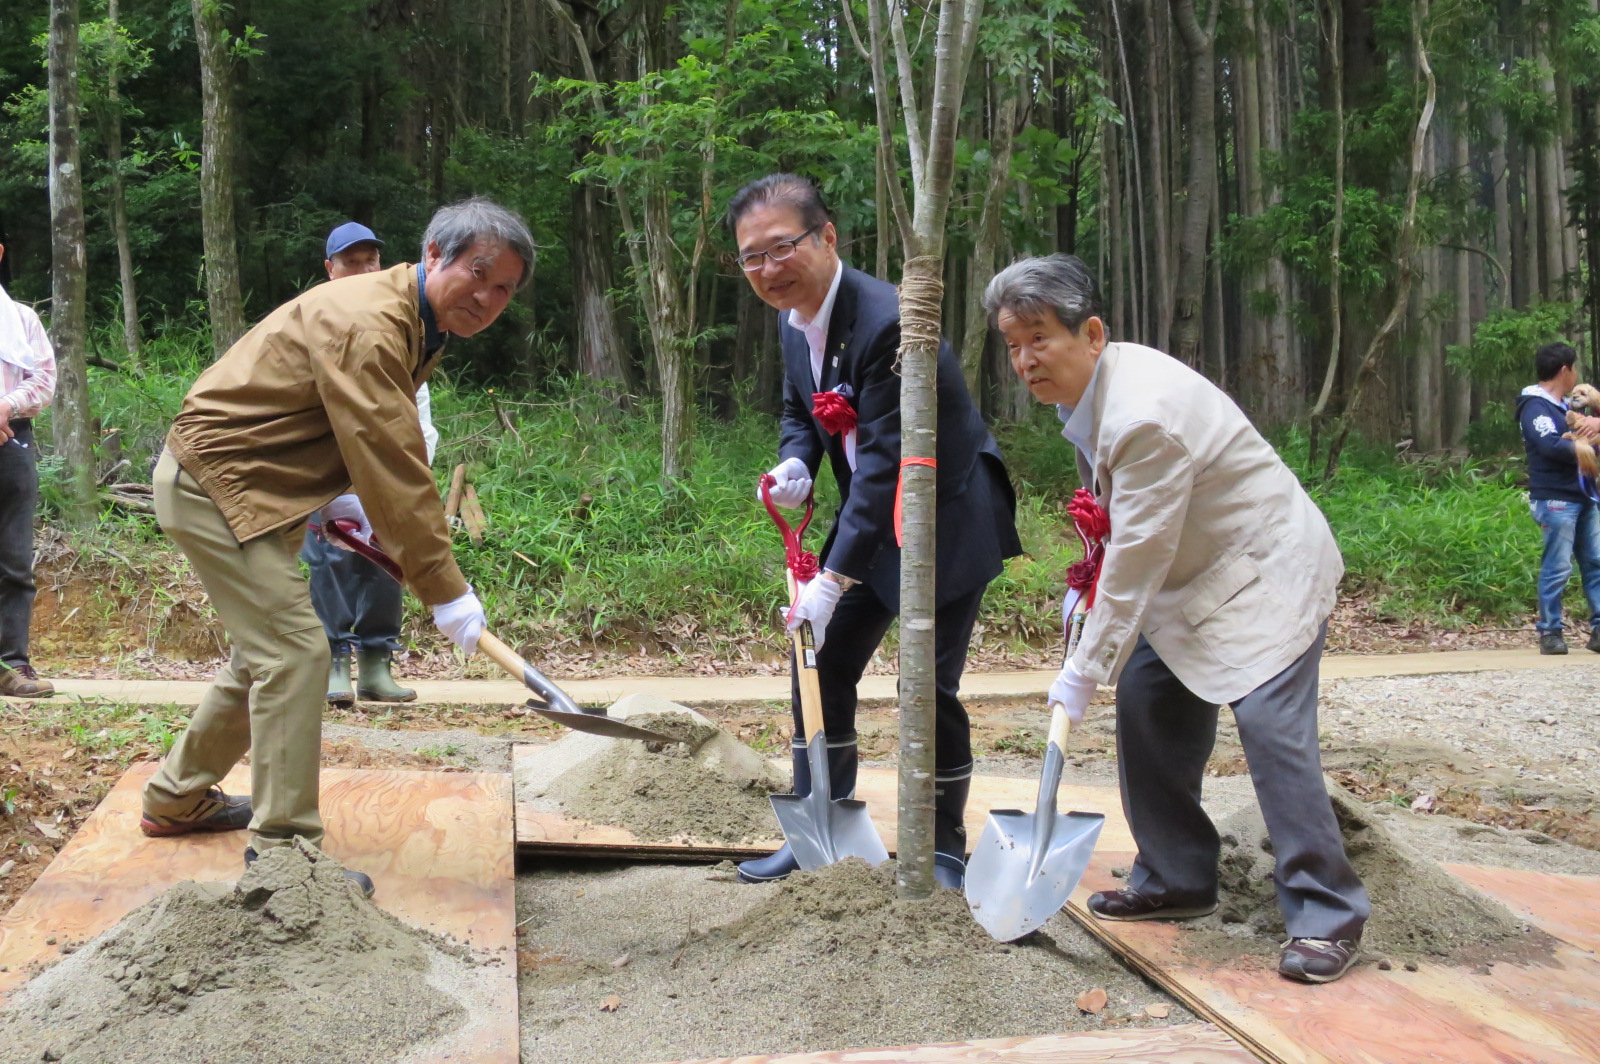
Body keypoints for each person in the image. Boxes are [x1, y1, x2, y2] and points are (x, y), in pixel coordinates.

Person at [985, 253, 1368, 984]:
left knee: (1269, 727)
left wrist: (1083, 669)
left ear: (1090, 332)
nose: (1025, 359)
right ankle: (1178, 876)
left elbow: (1139, 554)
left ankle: (1327, 913)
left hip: (1265, 572)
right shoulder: (1098, 390)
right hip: (1195, 582)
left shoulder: (1144, 415)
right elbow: (1125, 534)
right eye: (1012, 344)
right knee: (1150, 698)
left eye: (1039, 338)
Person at [139, 198, 533, 896]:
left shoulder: (417, 320)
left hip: (262, 487)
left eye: (505, 289)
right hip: (218, 483)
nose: (489, 298)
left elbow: (358, 434)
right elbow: (392, 457)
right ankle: (287, 858)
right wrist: (446, 589)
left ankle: (176, 797)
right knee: (295, 651)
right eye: (479, 273)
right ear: (434, 255)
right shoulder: (368, 319)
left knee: (263, 655)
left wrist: (343, 499)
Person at [729, 174, 1022, 890]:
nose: (767, 271)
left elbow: (892, 466)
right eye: (750, 258)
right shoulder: (791, 317)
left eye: (781, 248)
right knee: (817, 664)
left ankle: (944, 843)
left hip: (945, 514)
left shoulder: (890, 320)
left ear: (827, 237)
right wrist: (796, 460)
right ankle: (817, 829)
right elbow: (801, 409)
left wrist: (832, 580)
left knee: (929, 683)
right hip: (870, 515)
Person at [301, 221, 441, 705]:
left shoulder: (399, 323)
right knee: (329, 567)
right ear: (329, 269)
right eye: (351, 263)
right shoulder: (313, 319)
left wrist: (414, 474)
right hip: (329, 478)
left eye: (370, 262)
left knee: (386, 569)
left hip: (387, 476)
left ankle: (377, 666)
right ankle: (334, 663)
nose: (363, 271)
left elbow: (417, 410)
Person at [1516, 341, 1600, 655]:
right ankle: (1550, 632)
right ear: (1564, 370)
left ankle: (1599, 629)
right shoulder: (1534, 406)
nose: (1576, 374)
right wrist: (1588, 448)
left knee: (1595, 563)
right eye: (1574, 368)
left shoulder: (1568, 407)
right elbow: (1550, 445)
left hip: (1583, 496)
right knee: (1558, 566)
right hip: (1555, 499)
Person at [0, 243, 57, 699]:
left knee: (14, 559)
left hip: (9, 439)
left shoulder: (21, 318)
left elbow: (43, 378)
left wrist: (4, 405)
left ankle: (12, 663)